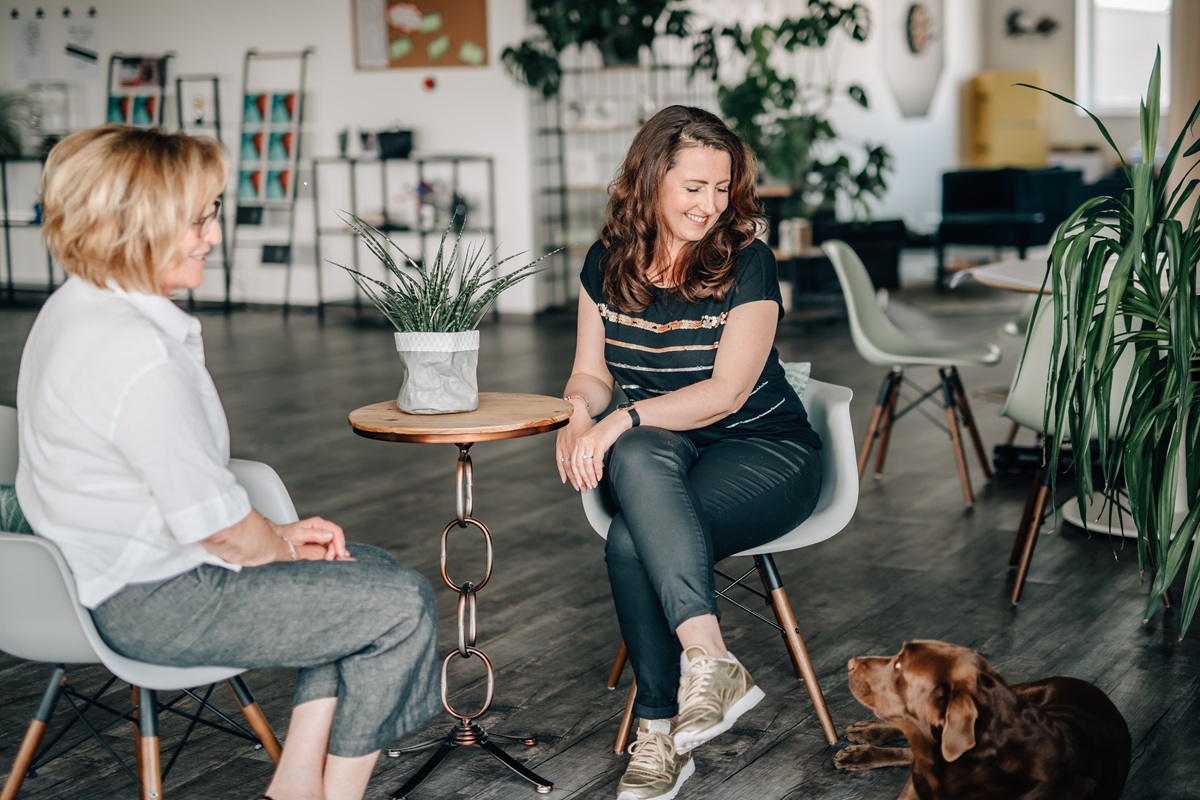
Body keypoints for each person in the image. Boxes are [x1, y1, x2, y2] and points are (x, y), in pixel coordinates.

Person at [15, 125, 439, 800]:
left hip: (103, 577)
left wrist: (281, 541)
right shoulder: (136, 355)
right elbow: (212, 528)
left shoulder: (72, 308)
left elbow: (189, 502)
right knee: (402, 605)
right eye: (198, 219)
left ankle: (296, 784)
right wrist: (275, 545)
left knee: (365, 573)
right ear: (138, 225)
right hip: (154, 602)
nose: (211, 236)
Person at [555, 105, 823, 800]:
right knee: (640, 458)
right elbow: (590, 374)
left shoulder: (747, 263)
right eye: (694, 187)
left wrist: (619, 421)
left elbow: (728, 392)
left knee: (629, 540)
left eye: (722, 187)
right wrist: (578, 413)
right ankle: (708, 659)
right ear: (650, 181)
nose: (711, 205)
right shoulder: (606, 263)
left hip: (765, 453)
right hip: (661, 455)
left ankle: (657, 731)